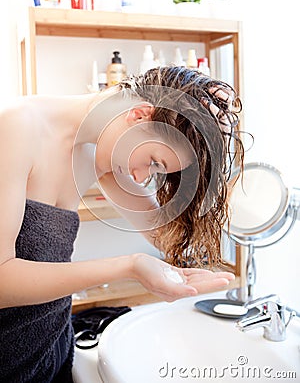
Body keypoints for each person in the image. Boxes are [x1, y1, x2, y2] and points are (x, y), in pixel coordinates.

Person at [0, 66, 243, 382]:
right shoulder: (17, 126)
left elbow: (166, 236)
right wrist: (129, 266)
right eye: (154, 161)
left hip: (50, 354)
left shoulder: (93, 151)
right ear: (141, 115)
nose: (141, 177)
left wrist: (218, 173)